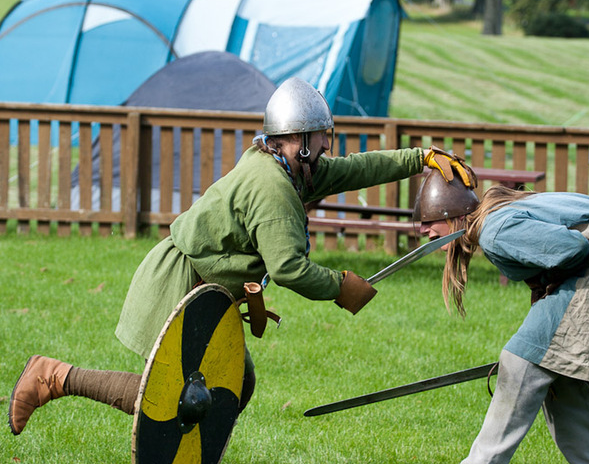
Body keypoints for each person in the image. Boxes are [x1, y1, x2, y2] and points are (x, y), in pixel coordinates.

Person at [8, 77, 473, 437]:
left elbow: (355, 168)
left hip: (208, 286)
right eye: (320, 136)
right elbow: (289, 269)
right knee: (173, 395)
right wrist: (341, 286)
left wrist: (421, 157)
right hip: (180, 281)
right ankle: (55, 377)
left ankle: (189, 456)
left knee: (237, 383)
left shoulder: (286, 165)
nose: (328, 144)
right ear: (298, 139)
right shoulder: (273, 188)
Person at [413, 169, 589, 464]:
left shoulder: (494, 229)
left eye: (430, 221)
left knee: (521, 363)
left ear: (453, 215)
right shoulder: (500, 215)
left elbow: (573, 249)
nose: (425, 230)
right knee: (561, 383)